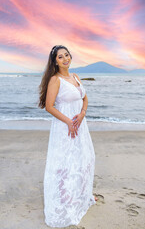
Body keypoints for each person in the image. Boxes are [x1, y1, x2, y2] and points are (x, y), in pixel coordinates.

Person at [38, 45, 97, 228]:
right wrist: (69, 122)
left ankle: (83, 194)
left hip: (80, 126)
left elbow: (84, 98)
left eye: (66, 55)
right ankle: (65, 201)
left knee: (83, 159)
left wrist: (82, 113)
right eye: (60, 57)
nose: (65, 59)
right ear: (55, 61)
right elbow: (49, 106)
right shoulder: (55, 80)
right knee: (64, 162)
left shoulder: (76, 77)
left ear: (70, 57)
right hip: (65, 127)